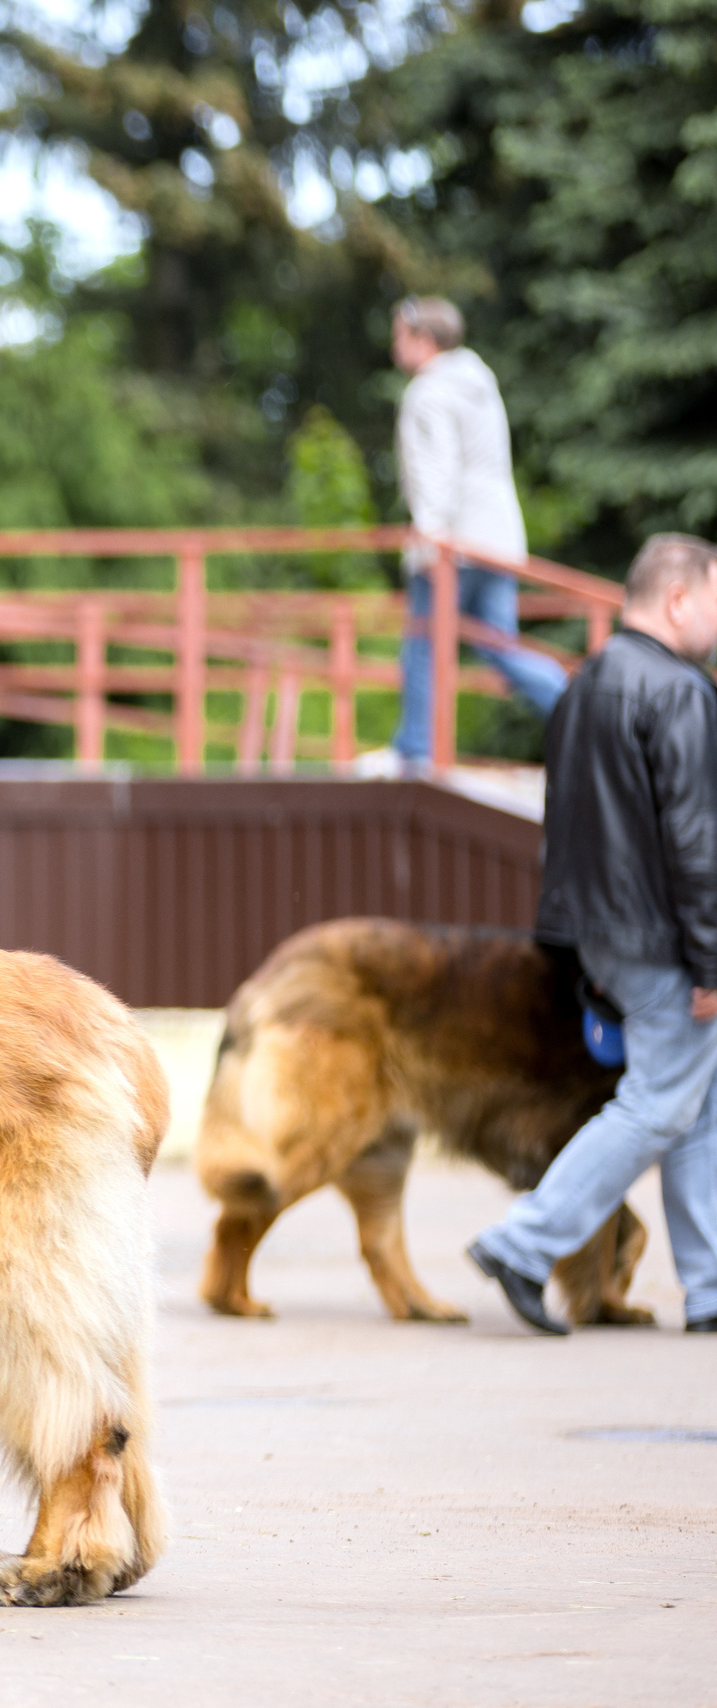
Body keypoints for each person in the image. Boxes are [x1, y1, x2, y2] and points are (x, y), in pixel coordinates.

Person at [467, 534, 717, 1336]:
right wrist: (712, 956)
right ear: (678, 600)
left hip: (601, 931)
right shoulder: (681, 690)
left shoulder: (584, 684)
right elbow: (695, 837)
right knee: (658, 1103)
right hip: (665, 935)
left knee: (696, 1101)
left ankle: (711, 1288)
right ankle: (524, 1243)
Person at [375, 296, 567, 769]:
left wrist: (429, 540)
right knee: (499, 646)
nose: (395, 345)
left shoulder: (428, 392)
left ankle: (414, 751)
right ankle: (578, 706)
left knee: (423, 642)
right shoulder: (479, 382)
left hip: (453, 543)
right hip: (497, 541)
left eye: (400, 335)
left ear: (424, 340)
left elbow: (435, 473)